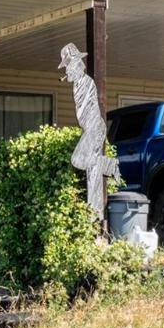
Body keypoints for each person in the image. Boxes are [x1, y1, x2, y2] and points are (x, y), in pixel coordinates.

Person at [57, 42, 118, 219]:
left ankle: (108, 166)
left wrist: (90, 133)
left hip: (94, 128)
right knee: (92, 169)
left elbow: (89, 111)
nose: (66, 71)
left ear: (76, 65)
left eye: (68, 66)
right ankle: (95, 211)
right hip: (90, 129)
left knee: (78, 159)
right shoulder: (78, 85)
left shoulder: (86, 83)